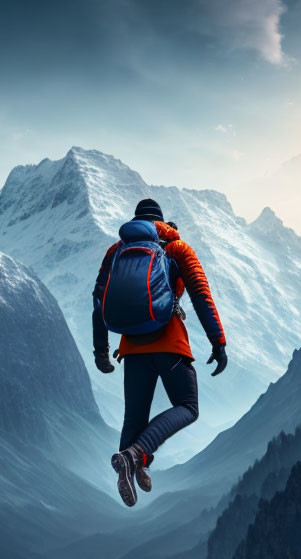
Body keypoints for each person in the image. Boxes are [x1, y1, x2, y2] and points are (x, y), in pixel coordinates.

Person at [92, 198, 227, 507]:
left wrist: (102, 350)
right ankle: (136, 456)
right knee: (187, 406)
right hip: (170, 343)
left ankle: (133, 466)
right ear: (162, 222)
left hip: (132, 348)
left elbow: (99, 301)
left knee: (134, 416)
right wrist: (217, 341)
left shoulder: (116, 252)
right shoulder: (177, 249)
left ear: (136, 221)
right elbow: (201, 294)